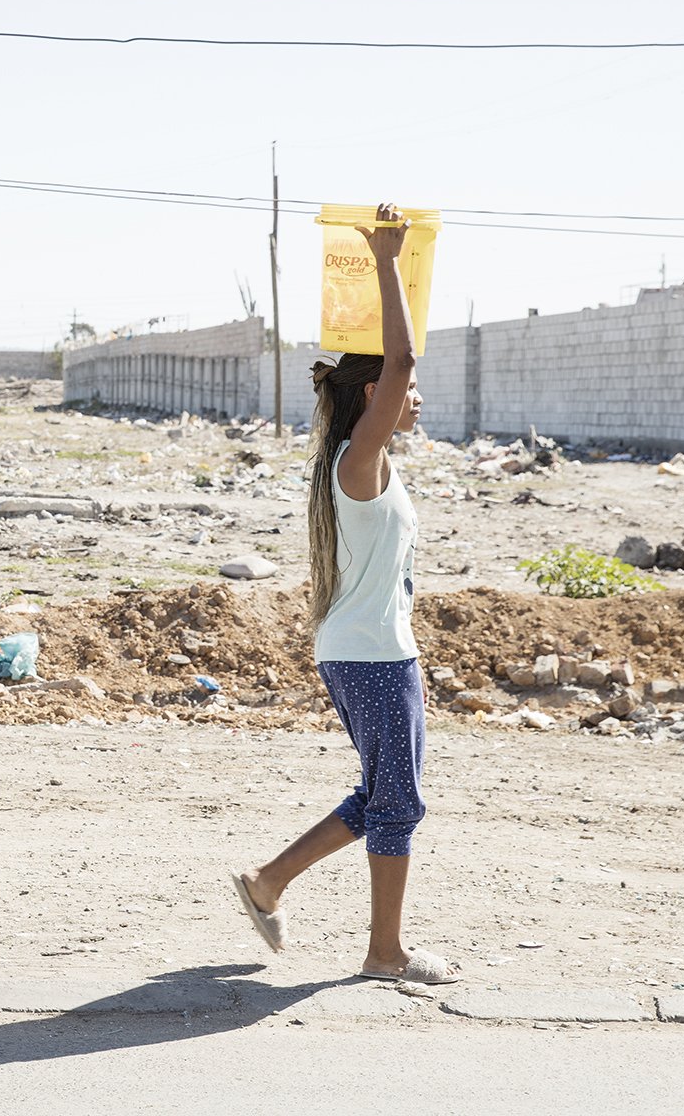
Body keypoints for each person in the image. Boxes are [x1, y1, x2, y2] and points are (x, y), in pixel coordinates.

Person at [231, 202, 459, 986]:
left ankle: (268, 882)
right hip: (370, 656)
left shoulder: (365, 465)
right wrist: (387, 258)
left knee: (387, 795)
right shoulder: (357, 464)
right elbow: (396, 362)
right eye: (406, 383)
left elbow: (395, 369)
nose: (415, 389)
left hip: (378, 651)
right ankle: (384, 954)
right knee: (397, 804)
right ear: (373, 398)